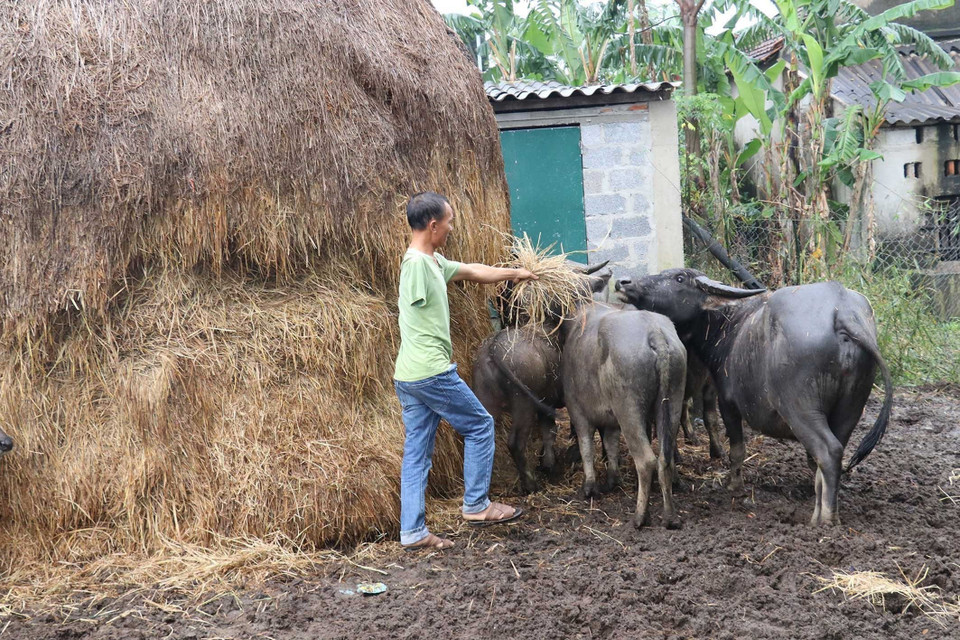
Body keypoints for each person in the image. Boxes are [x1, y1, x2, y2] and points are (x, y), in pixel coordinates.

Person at [394, 191, 538, 551]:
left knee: (416, 453)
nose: (451, 228)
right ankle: (476, 505)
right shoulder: (415, 266)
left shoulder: (433, 262)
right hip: (431, 372)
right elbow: (413, 303)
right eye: (449, 222)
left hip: (409, 376)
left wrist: (515, 273)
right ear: (433, 225)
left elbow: (474, 271)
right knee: (479, 424)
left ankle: (412, 532)